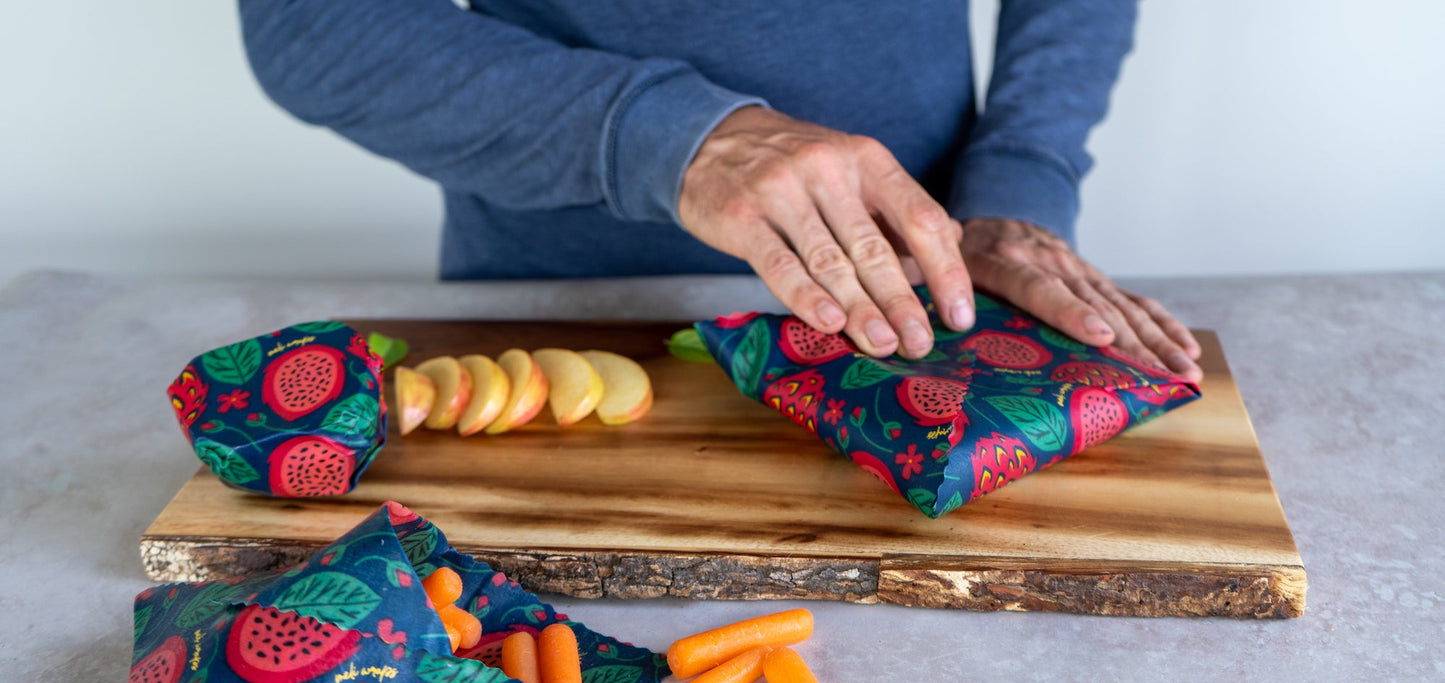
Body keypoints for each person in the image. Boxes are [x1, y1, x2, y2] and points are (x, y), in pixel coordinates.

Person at [238, 0, 1202, 381]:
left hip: (930, 302)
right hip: (559, 318)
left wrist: (1016, 186)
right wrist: (679, 141)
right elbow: (309, 24)